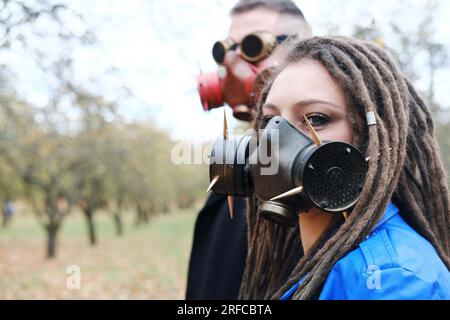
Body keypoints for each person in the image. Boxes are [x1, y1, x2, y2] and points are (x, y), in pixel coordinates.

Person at [239, 36, 450, 300]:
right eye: (270, 120)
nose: (276, 141)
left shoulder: (393, 279)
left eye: (315, 118)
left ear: (370, 137)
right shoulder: (318, 253)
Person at [186, 0, 311, 299]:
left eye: (253, 47)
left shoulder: (323, 188)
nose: (232, 65)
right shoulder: (233, 175)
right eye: (226, 50)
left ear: (302, 51)